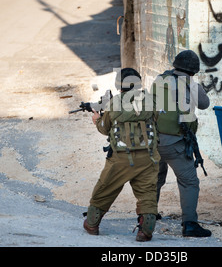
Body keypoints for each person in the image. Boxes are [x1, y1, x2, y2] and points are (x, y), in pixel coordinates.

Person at [83, 68, 160, 242]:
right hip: (148, 157)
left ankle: (92, 224)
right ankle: (146, 230)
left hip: (121, 158)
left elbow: (105, 128)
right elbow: (156, 121)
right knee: (147, 192)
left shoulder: (114, 103)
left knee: (105, 188)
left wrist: (97, 120)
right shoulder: (150, 101)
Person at [152, 50, 212, 237]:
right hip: (176, 143)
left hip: (154, 140)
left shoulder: (159, 80)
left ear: (175, 65)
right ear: (194, 70)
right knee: (189, 182)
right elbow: (204, 104)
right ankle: (190, 224)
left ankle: (149, 214)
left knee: (156, 178)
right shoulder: (193, 86)